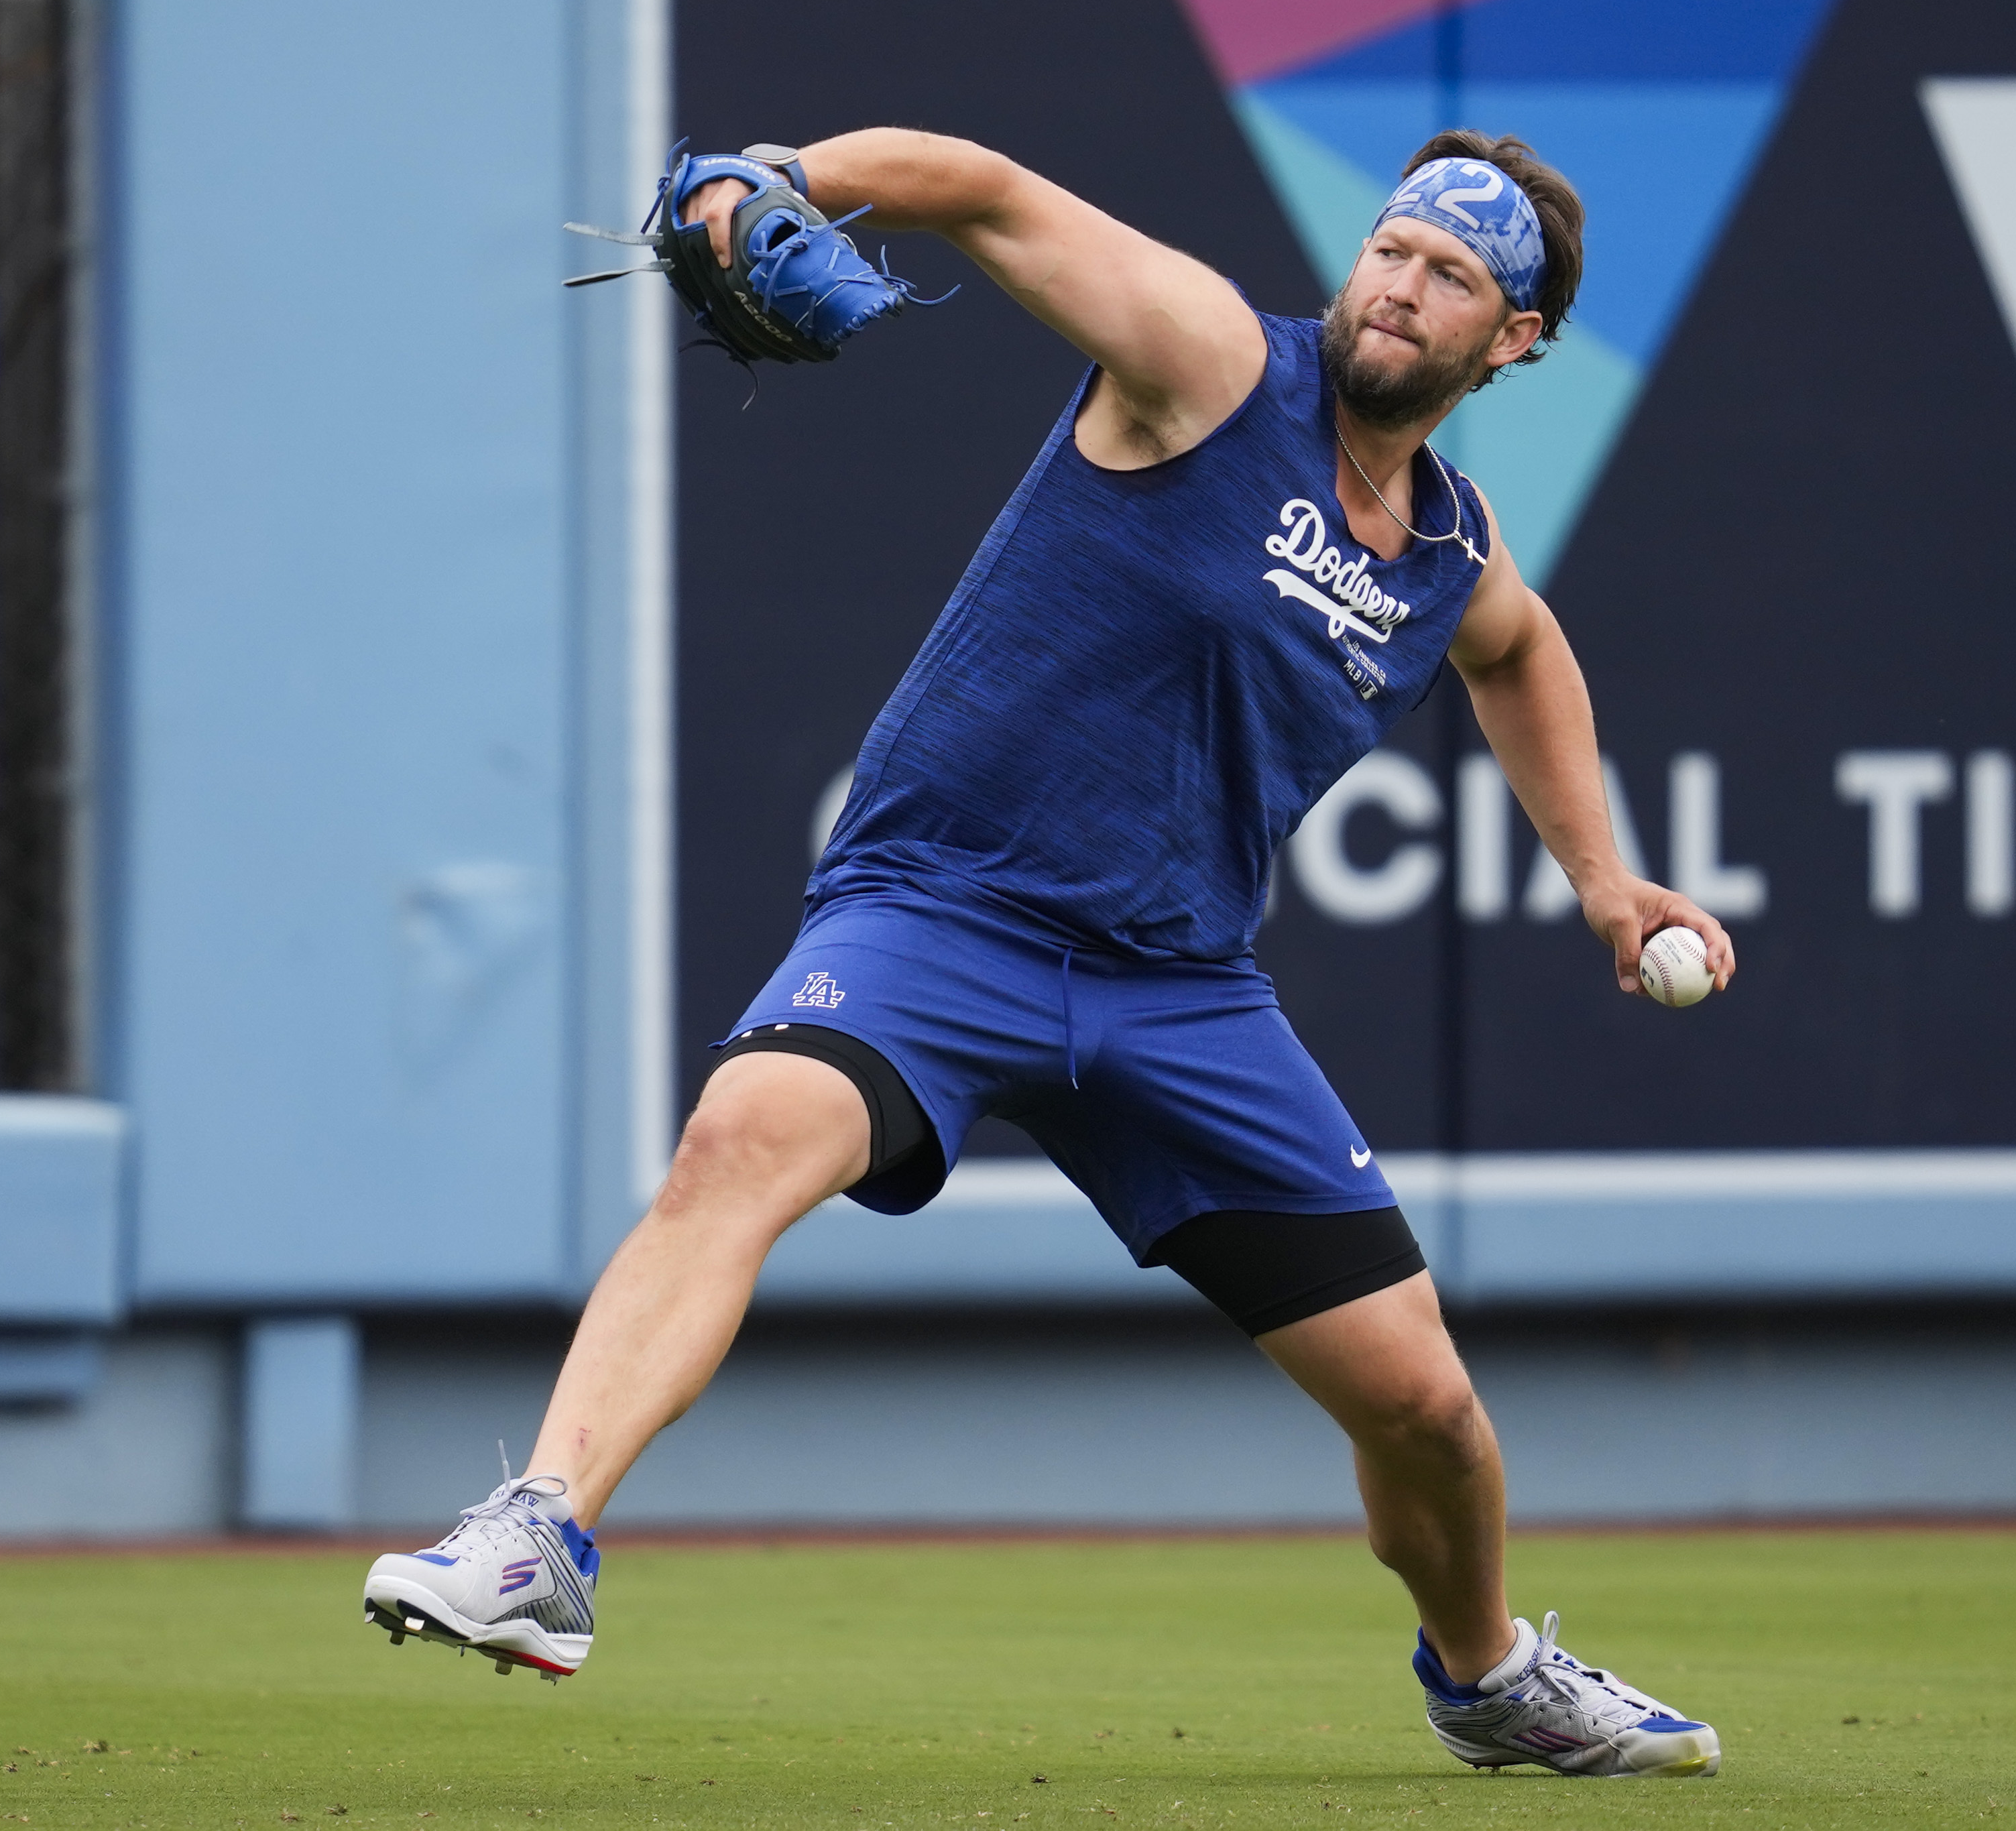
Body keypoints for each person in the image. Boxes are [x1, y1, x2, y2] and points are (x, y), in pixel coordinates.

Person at [363, 125, 1738, 1780]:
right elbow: (995, 193)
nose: (1400, 286)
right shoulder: (1218, 368)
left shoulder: (1447, 548)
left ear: (1510, 341)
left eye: (1452, 277)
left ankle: (1489, 1673)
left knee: (1425, 1410)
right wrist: (771, 170)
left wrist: (1606, 882)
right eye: (1392, 248)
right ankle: (541, 1537)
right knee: (740, 1139)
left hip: (1180, 989)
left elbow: (1520, 655)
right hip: (947, 908)